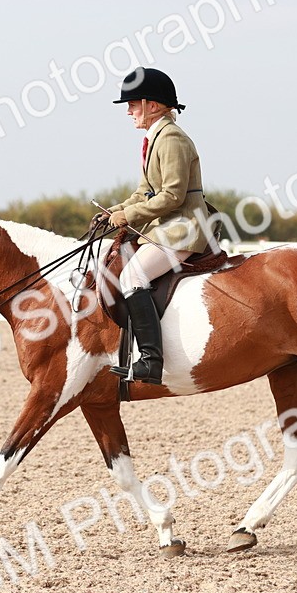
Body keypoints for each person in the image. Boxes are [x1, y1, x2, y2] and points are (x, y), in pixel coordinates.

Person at [105, 67, 211, 386]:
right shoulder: (154, 139)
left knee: (133, 275)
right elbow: (144, 191)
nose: (129, 111)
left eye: (134, 104)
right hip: (165, 226)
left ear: (154, 106)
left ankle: (151, 360)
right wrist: (117, 210)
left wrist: (131, 216)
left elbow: (173, 195)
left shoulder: (172, 139)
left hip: (183, 228)